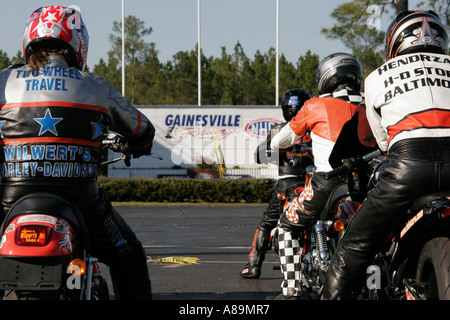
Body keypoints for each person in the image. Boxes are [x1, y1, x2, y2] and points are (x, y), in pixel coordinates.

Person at [0, 6, 155, 299]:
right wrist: (138, 143)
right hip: (82, 204)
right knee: (129, 256)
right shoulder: (96, 87)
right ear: (78, 43)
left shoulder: (3, 82)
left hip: (11, 203)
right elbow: (143, 130)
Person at [321, 10, 450, 299]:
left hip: (407, 169)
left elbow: (382, 142)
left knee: (352, 248)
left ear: (396, 41)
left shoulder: (379, 76)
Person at [270, 52, 367, 299]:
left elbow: (280, 141)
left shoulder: (314, 105)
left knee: (285, 226)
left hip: (328, 181)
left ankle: (291, 290)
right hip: (368, 182)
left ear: (326, 78)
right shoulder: (370, 101)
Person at [240, 88, 312, 279]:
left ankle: (254, 265)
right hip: (312, 183)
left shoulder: (278, 130)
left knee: (266, 223)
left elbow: (258, 155)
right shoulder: (315, 127)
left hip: (285, 184)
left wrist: (281, 154)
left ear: (285, 108)